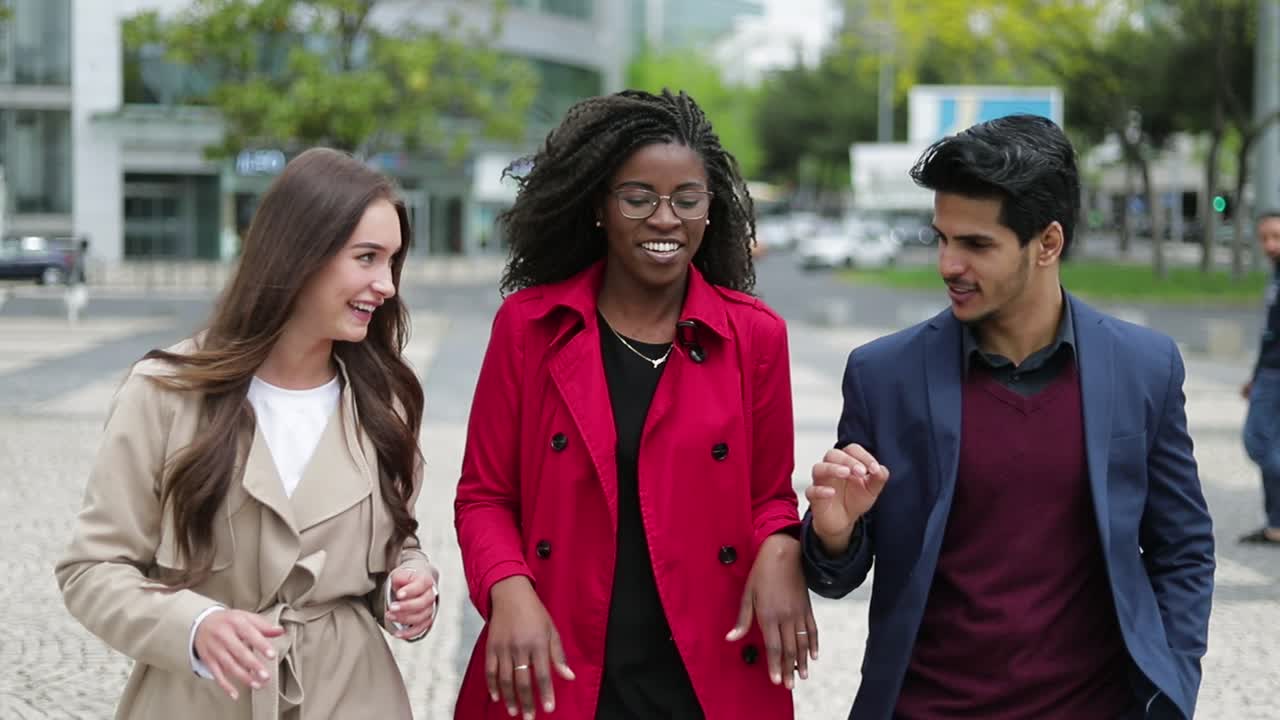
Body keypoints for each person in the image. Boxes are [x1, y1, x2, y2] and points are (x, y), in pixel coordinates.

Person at [801, 115, 1215, 720]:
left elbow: (1182, 547)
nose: (948, 264)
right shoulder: (882, 374)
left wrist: (1173, 682)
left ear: (1048, 243)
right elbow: (834, 574)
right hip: (928, 708)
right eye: (941, 238)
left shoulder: (1144, 367)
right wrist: (835, 531)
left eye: (975, 244)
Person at [454, 89, 811, 720]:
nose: (665, 218)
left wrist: (781, 547)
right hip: (559, 667)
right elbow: (485, 497)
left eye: (687, 199)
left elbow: (769, 497)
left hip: (707, 673)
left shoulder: (756, 336)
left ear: (710, 209)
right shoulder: (529, 328)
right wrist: (509, 591)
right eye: (639, 197)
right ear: (599, 205)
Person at [55, 148, 439, 719]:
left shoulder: (382, 404)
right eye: (367, 258)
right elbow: (92, 569)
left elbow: (394, 545)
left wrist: (406, 583)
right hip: (198, 698)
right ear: (299, 256)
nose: (385, 284)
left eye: (392, 261)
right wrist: (195, 626)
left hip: (354, 695)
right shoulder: (164, 392)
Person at [1240, 209, 1280, 546]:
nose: (1269, 245)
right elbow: (1271, 334)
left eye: (1276, 237)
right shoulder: (1276, 275)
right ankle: (1276, 525)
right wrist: (1255, 375)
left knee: (1259, 442)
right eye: (1264, 237)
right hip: (1268, 371)